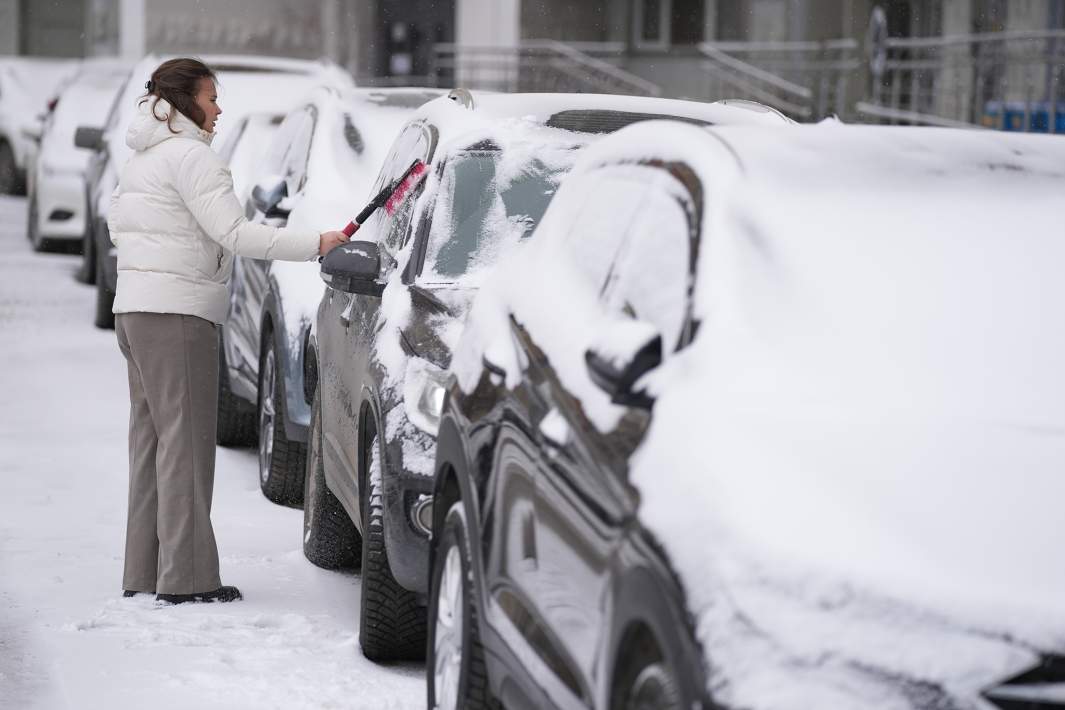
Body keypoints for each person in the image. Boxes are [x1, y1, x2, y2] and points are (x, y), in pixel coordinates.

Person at [107, 58, 349, 604]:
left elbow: (116, 224)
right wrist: (316, 244)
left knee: (150, 444)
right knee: (187, 448)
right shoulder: (195, 159)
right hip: (178, 318)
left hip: (135, 313)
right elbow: (235, 234)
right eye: (211, 98)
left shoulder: (142, 158)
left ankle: (143, 571)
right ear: (185, 102)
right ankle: (188, 579)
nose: (218, 110)